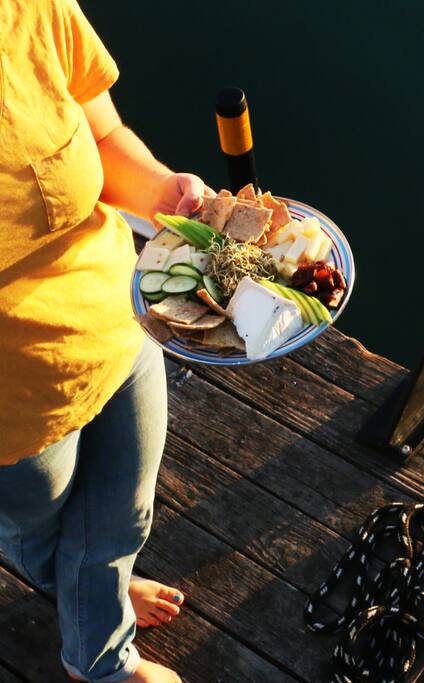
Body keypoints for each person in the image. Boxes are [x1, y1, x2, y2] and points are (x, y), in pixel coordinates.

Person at [0, 1, 214, 681]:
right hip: (14, 410)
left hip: (122, 321)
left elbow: (104, 134)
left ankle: (98, 594)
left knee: (123, 517)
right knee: (40, 536)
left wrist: (162, 193)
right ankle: (100, 662)